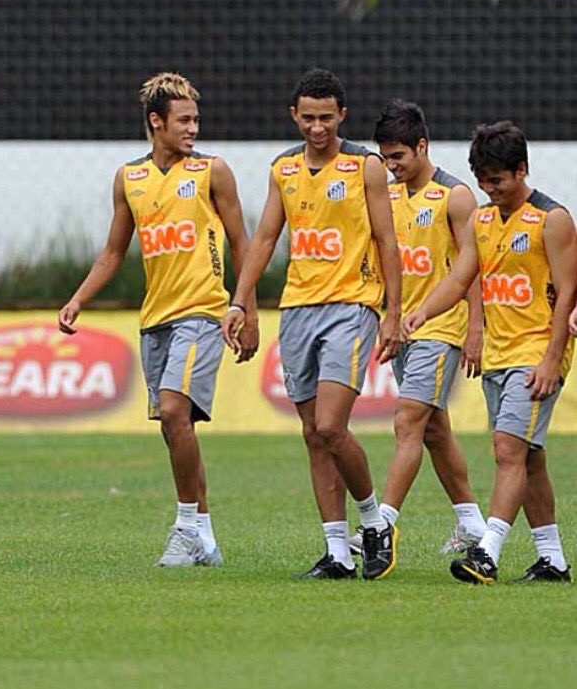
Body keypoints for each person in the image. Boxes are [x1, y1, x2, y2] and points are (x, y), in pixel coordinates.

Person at [58, 72, 258, 567]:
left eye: (196, 120)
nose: (193, 128)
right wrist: (78, 299)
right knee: (176, 427)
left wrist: (246, 308)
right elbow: (113, 251)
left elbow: (242, 244)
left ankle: (185, 527)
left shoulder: (212, 171)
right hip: (155, 320)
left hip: (203, 312)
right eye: (183, 120)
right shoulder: (129, 178)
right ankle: (204, 537)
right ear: (157, 122)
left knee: (172, 411)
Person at [223, 68, 401, 580]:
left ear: (342, 115)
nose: (317, 128)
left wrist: (392, 312)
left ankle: (374, 521)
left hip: (351, 305)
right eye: (308, 118)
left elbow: (387, 240)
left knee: (330, 425)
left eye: (326, 117)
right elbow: (264, 238)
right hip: (298, 308)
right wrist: (241, 301)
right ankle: (336, 551)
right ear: (294, 116)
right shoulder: (284, 168)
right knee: (311, 432)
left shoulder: (365, 166)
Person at [404, 121, 576, 583]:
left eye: (497, 180)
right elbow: (461, 277)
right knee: (528, 457)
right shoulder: (481, 220)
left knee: (507, 450)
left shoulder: (552, 220)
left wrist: (551, 359)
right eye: (482, 180)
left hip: (535, 354)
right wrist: (423, 311)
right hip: (498, 354)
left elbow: (568, 292)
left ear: (521, 170)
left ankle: (487, 552)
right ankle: (553, 560)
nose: (489, 189)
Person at [354, 99, 486, 577]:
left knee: (407, 421)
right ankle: (471, 522)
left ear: (422, 146)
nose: (391, 166)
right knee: (433, 430)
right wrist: (386, 317)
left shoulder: (455, 196)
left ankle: (382, 524)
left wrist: (476, 327)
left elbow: (474, 266)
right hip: (403, 326)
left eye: (398, 157)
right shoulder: (387, 197)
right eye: (385, 157)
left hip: (443, 327)